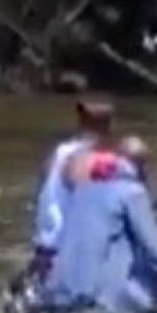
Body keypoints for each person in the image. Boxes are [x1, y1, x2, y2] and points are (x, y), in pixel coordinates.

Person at [44, 135, 157, 311]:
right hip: (102, 302)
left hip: (59, 294)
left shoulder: (84, 189)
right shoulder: (132, 192)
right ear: (144, 168)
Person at [30, 99, 115, 279]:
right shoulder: (91, 159)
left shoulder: (60, 151)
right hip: (64, 251)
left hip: (45, 244)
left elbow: (42, 187)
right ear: (107, 128)